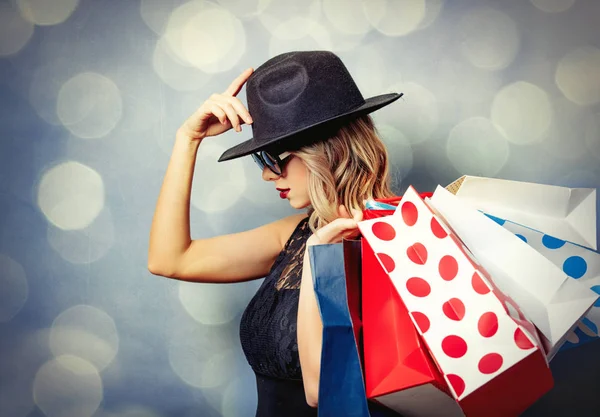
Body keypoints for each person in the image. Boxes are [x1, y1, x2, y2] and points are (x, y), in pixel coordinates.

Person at [148, 51, 403, 417]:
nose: (267, 175)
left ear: (327, 151)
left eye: (273, 157)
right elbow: (169, 259)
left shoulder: (401, 242)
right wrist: (187, 140)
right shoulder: (295, 236)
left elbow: (322, 390)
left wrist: (319, 257)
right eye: (260, 159)